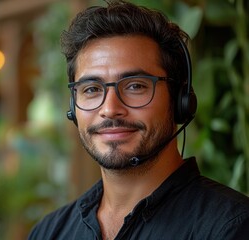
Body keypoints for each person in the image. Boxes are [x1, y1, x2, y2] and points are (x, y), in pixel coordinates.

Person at [28, 0, 249, 239]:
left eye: (135, 86)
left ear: (178, 100)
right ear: (73, 108)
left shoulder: (231, 228)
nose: (110, 109)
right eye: (91, 89)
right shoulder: (49, 232)